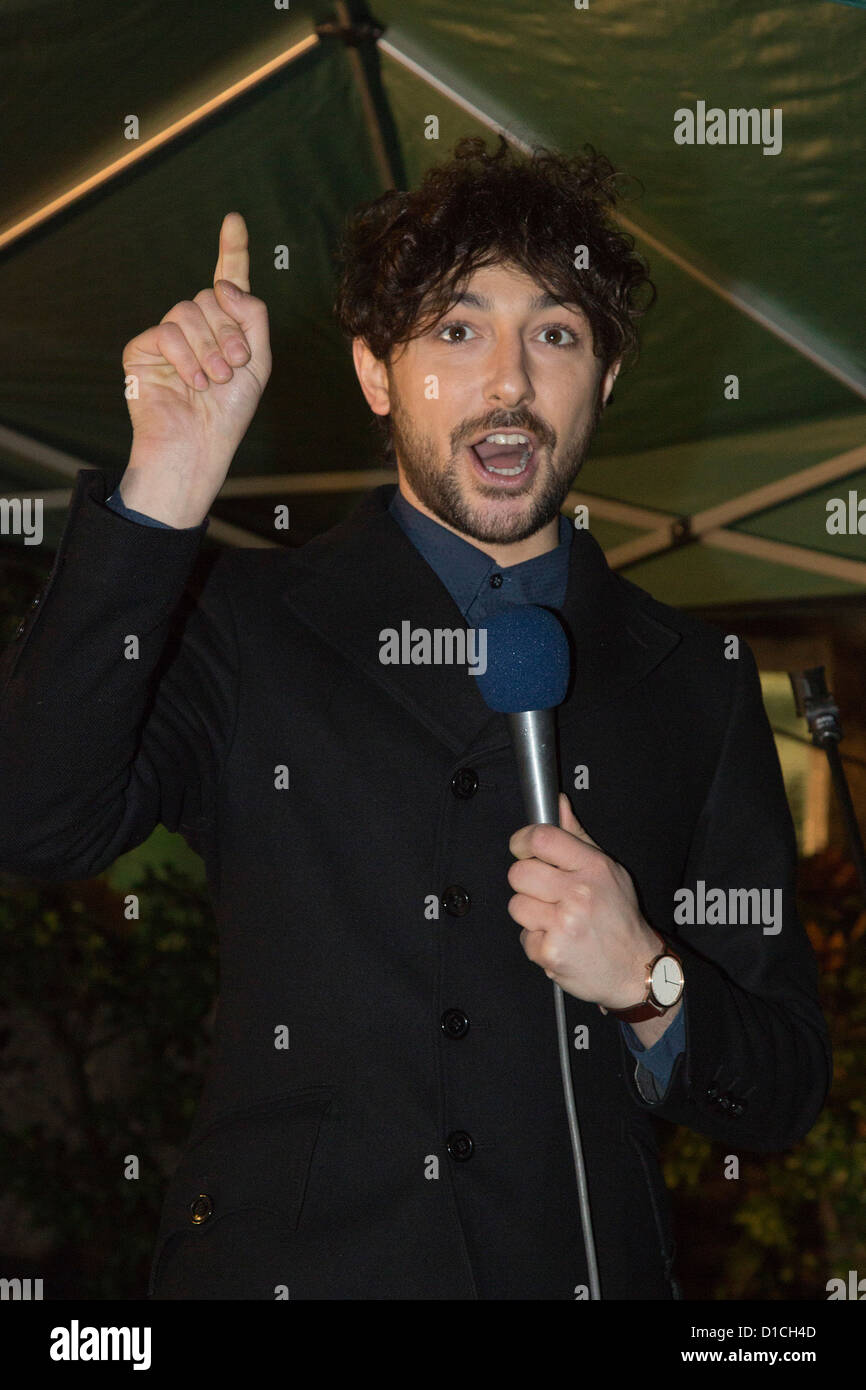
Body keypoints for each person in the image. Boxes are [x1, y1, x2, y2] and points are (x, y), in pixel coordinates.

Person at [0, 136, 831, 1300]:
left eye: (553, 334)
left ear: (604, 380)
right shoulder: (246, 621)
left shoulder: (694, 676)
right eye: (454, 329)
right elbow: (36, 820)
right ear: (373, 374)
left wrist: (646, 978)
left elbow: (783, 1085)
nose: (508, 381)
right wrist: (162, 490)